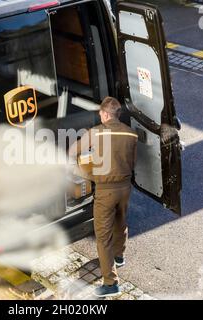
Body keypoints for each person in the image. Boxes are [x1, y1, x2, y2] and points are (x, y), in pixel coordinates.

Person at [69, 97, 138, 297]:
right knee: (121, 221)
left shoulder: (96, 132)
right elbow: (132, 164)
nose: (99, 116)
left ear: (106, 114)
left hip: (105, 190)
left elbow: (72, 152)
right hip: (125, 187)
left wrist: (86, 174)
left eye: (100, 114)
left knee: (102, 236)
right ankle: (119, 256)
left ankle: (111, 283)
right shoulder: (131, 134)